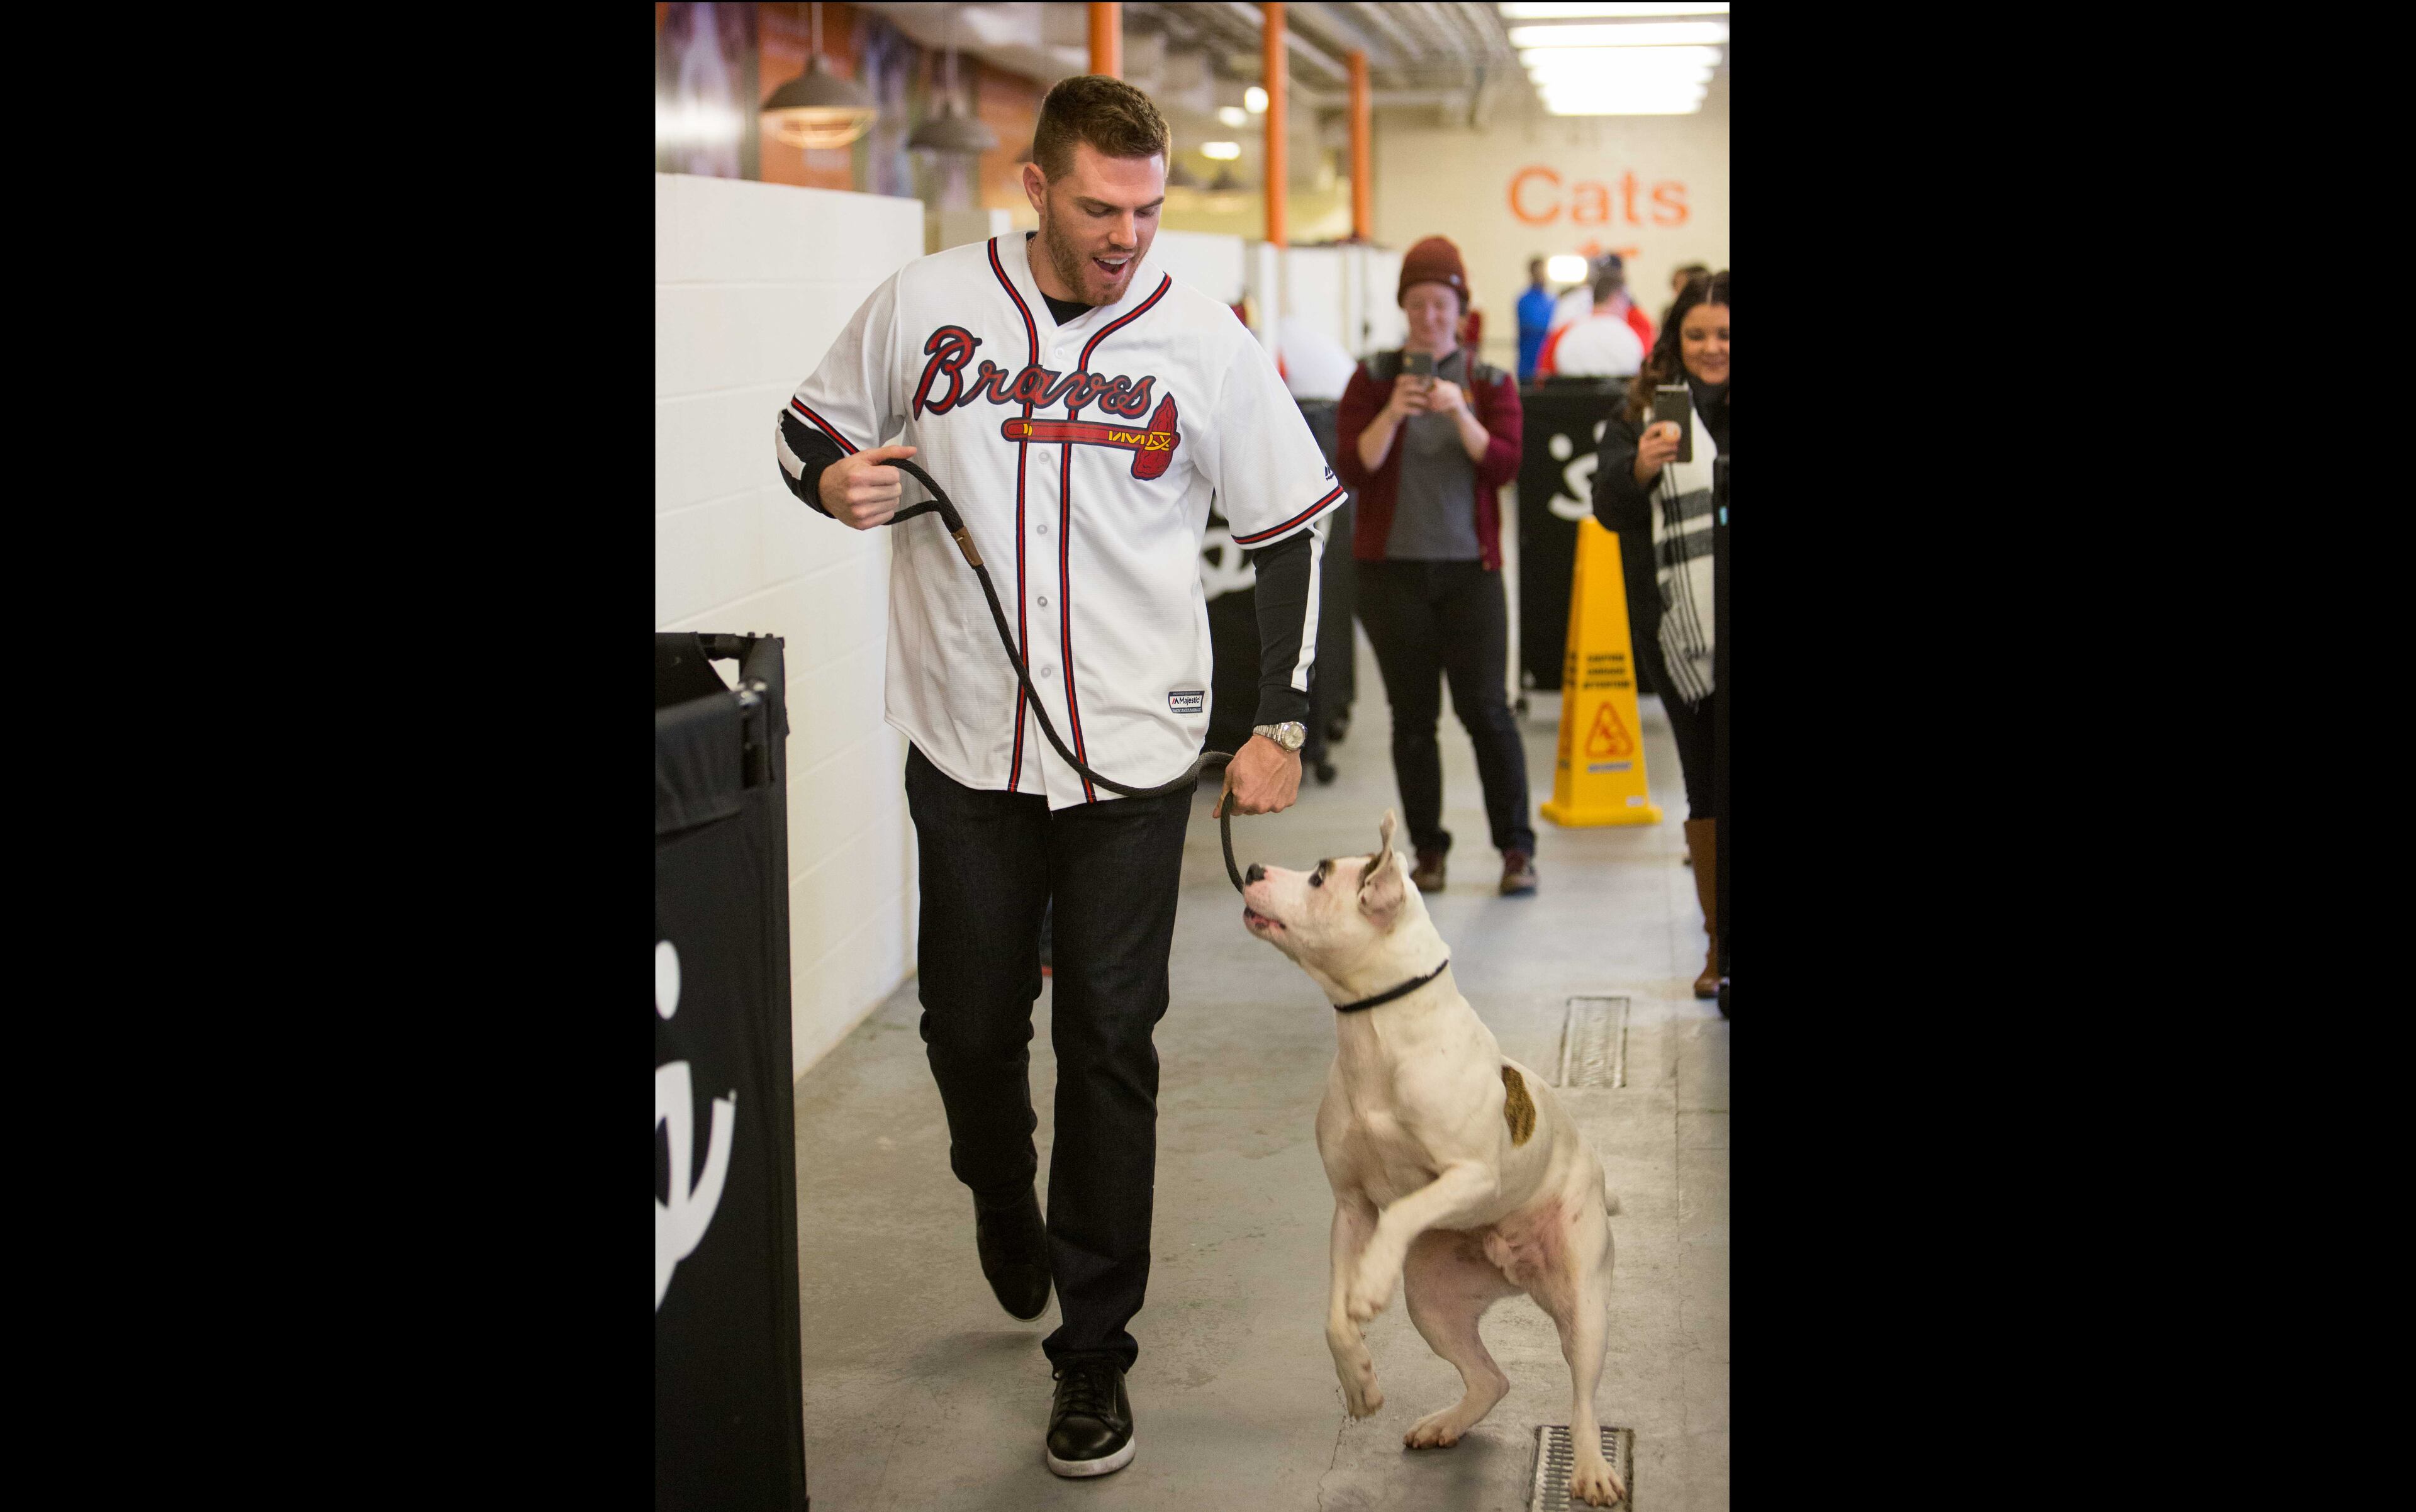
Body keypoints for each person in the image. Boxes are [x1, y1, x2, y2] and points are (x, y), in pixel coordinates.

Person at [775, 74, 1343, 1479]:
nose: (1128, 234)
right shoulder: (925, 306)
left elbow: (1298, 524)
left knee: (1109, 1040)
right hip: (965, 738)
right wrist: (829, 486)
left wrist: (1281, 716)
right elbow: (811, 435)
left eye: (1148, 210)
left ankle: (1093, 1353)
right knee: (969, 1027)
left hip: (1135, 751)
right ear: (1035, 188)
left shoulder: (1199, 336)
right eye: (1101, 206)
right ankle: (993, 1184)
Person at [1334, 236, 1537, 897]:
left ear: (1461, 309)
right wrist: (1395, 409)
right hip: (1392, 575)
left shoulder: (1491, 382)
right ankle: (1428, 851)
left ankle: (1515, 849)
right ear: (1404, 309)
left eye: (1441, 304)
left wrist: (1463, 415)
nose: (1429, 317)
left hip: (1470, 573)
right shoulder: (1371, 377)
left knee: (1487, 712)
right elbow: (1352, 467)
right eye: (1417, 304)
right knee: (1413, 720)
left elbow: (1505, 464)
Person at [1591, 270, 1728, 997]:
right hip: (1682, 635)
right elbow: (1608, 507)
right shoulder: (1639, 412)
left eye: (1724, 335)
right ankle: (1719, 947)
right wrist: (1640, 466)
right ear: (1674, 340)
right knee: (1705, 784)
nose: (1712, 348)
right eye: (1697, 334)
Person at [1536, 259, 1648, 379]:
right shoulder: (1634, 334)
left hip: (1572, 396)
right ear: (1615, 298)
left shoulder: (1562, 334)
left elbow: (1543, 377)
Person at [1516, 256, 1557, 381]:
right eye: (1539, 272)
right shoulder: (1524, 300)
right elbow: (1535, 325)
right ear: (1532, 273)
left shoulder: (1552, 300)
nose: (1542, 276)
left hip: (1547, 368)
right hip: (1528, 367)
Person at [1662, 261, 1710, 330]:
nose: (1677, 288)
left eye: (1682, 284)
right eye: (1675, 283)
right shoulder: (1670, 313)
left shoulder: (1714, 311)